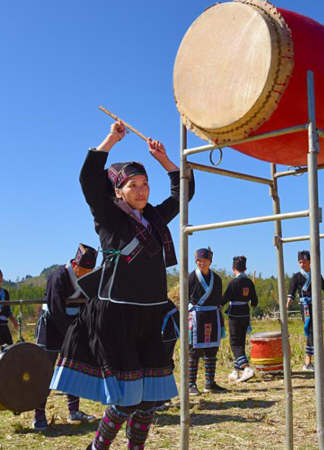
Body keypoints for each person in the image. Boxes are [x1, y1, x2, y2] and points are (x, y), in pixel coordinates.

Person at [49, 120, 193, 450]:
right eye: (133, 185)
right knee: (127, 399)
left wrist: (166, 161)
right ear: (118, 191)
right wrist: (110, 140)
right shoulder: (109, 217)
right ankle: (98, 447)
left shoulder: (156, 218)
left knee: (149, 400)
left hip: (150, 315)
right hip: (116, 316)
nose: (142, 190)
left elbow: (183, 193)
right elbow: (88, 179)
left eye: (145, 184)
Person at [32, 244, 99, 430]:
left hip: (73, 324)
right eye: (83, 271)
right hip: (52, 326)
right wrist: (71, 331)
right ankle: (39, 414)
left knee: (72, 367)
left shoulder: (86, 277)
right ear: (75, 264)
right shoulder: (59, 276)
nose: (85, 275)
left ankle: (74, 411)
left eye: (89, 272)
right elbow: (55, 308)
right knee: (46, 369)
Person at [286, 250, 324, 372]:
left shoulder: (316, 274)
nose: (301, 264)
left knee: (316, 331)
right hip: (305, 306)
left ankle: (310, 361)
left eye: (304, 262)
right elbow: (291, 293)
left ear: (310, 261)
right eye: (299, 262)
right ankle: (308, 362)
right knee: (311, 330)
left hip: (315, 305)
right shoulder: (296, 277)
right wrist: (287, 305)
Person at [187, 247, 227, 395]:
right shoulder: (191, 278)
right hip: (196, 317)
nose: (201, 263)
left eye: (204, 261)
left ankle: (210, 383)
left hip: (212, 316)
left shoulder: (217, 279)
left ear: (210, 261)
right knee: (194, 351)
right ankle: (191, 384)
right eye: (199, 261)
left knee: (212, 350)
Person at [222, 255, 258, 383]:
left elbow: (224, 299)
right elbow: (254, 302)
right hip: (245, 314)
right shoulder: (249, 282)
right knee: (241, 342)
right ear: (245, 268)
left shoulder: (233, 283)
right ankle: (236, 371)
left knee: (234, 343)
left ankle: (247, 369)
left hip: (235, 315)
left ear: (233, 269)